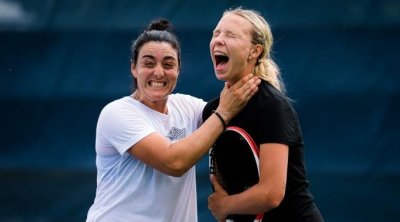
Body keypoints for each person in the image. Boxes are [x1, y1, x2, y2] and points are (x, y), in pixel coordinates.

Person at [86, 18, 260, 222]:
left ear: (178, 70)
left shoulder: (188, 107)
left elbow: (237, 110)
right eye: (148, 63)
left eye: (168, 64)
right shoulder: (116, 113)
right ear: (133, 68)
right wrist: (223, 113)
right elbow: (174, 162)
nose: (158, 72)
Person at [203, 7, 324, 222]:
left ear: (255, 51)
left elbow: (271, 193)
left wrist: (224, 206)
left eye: (230, 35)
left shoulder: (271, 106)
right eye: (216, 33)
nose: (219, 40)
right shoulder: (211, 112)